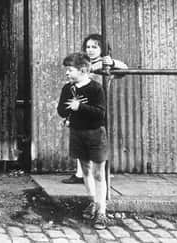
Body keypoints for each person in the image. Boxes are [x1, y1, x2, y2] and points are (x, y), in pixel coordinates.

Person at [62, 33, 128, 184]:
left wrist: (111, 62)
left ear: (103, 49)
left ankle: (100, 173)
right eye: (88, 47)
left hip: (97, 107)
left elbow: (124, 69)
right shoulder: (82, 64)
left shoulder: (105, 64)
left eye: (95, 47)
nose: (90, 50)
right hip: (80, 106)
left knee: (98, 140)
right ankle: (80, 174)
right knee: (79, 138)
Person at [57, 52, 109, 229]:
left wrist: (80, 106)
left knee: (99, 173)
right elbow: (61, 111)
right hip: (77, 133)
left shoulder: (96, 88)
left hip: (95, 134)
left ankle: (102, 211)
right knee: (85, 171)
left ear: (83, 70)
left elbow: (101, 113)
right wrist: (68, 112)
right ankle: (93, 202)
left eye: (70, 70)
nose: (67, 73)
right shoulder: (67, 89)